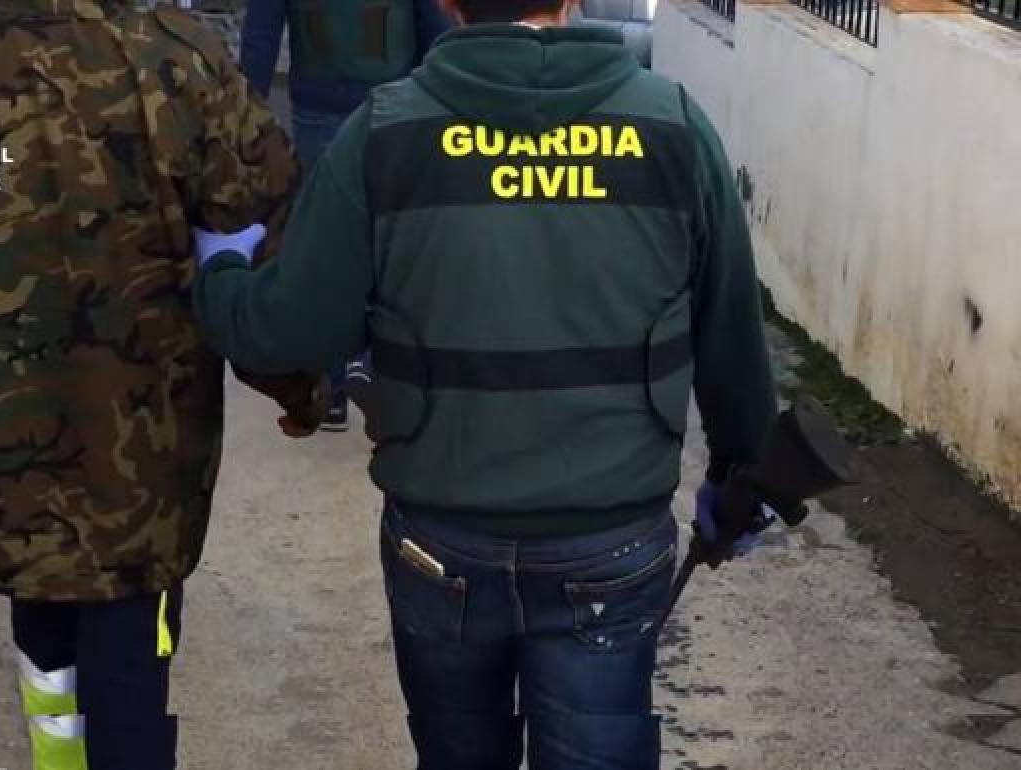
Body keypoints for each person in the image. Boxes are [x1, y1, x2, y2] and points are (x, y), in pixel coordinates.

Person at [193, 0, 777, 767]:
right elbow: (730, 329)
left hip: (442, 539)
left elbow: (288, 328)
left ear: (447, 3)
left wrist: (222, 271)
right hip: (608, 540)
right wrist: (743, 475)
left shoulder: (386, 133)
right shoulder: (672, 126)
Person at [0, 2, 321, 769]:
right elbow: (263, 244)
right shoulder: (180, 55)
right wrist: (300, 385)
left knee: (44, 631)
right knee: (130, 659)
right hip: (146, 454)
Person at [240, 0, 451, 432]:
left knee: (327, 250)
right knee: (394, 249)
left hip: (326, 106)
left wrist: (247, 115)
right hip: (397, 105)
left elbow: (261, 33)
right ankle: (389, 380)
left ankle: (332, 388)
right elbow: (436, 27)